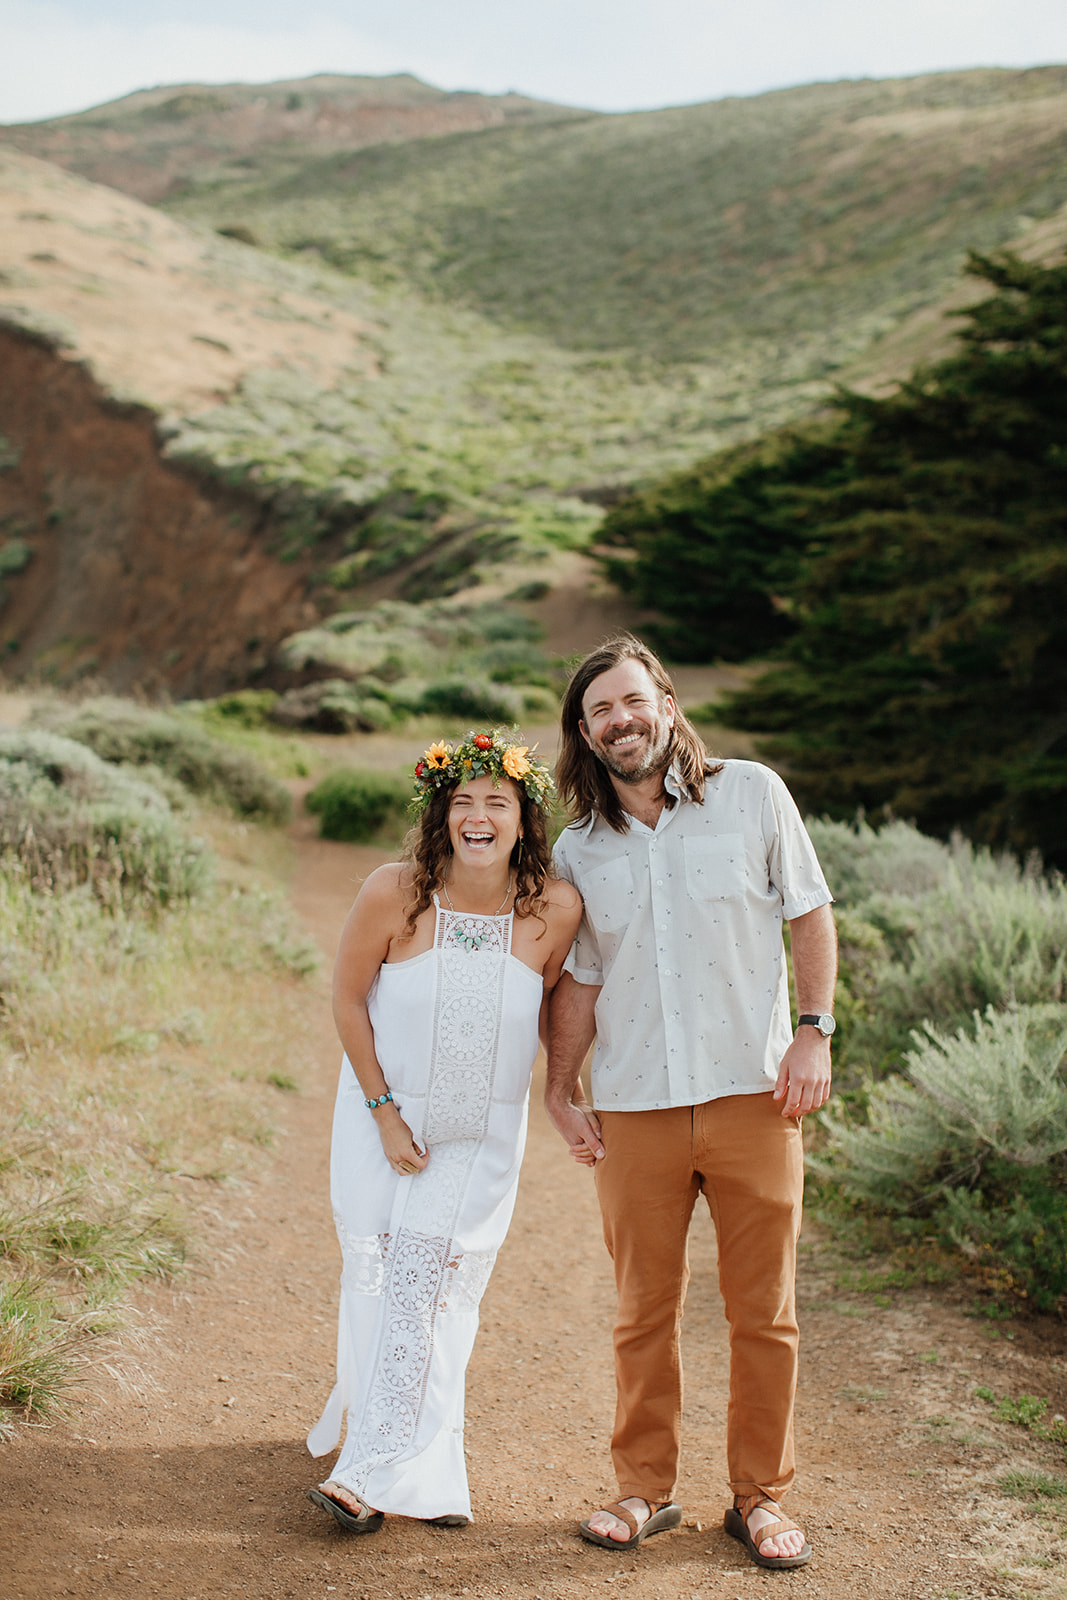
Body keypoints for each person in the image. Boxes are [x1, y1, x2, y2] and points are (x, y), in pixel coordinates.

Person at [546, 636, 836, 1573]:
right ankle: (643, 1489)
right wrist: (560, 1088)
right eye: (600, 713)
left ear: (666, 704)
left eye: (632, 701)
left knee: (764, 1312)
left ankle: (759, 1499)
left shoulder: (752, 793)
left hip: (755, 1093)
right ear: (586, 738)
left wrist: (813, 1030)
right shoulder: (576, 849)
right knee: (641, 1310)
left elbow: (808, 911)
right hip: (635, 1107)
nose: (620, 721)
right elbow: (581, 980)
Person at [307, 729, 581, 1532]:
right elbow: (348, 1001)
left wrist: (563, 1094)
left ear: (525, 819)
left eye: (496, 802)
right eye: (461, 801)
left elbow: (563, 1004)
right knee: (390, 1282)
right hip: (385, 1122)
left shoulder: (553, 910)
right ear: (440, 813)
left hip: (480, 1139)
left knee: (434, 1291)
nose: (477, 816)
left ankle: (374, 1473)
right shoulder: (394, 891)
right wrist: (383, 1114)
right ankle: (399, 1454)